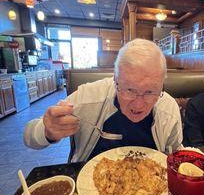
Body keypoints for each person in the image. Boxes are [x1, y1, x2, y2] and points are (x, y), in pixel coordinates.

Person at [24, 39, 183, 162]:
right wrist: (47, 131)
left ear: (161, 85)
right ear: (115, 80)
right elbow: (29, 137)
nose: (139, 104)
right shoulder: (88, 97)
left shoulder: (168, 108)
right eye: (129, 90)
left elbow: (175, 151)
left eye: (150, 92)